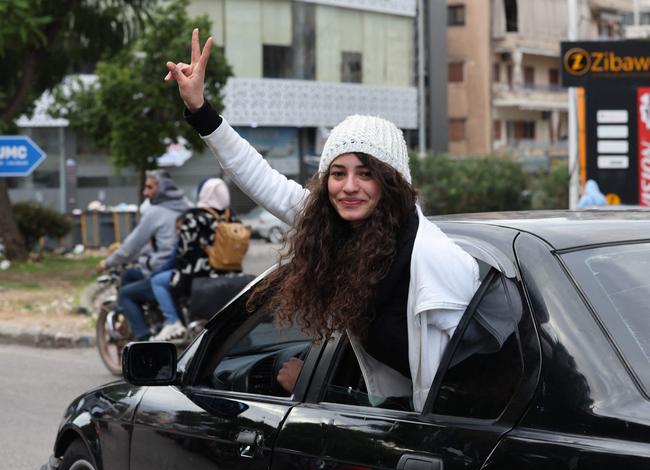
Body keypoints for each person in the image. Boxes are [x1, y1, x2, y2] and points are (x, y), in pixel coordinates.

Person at [165, 29, 479, 411]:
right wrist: (200, 110)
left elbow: (462, 389)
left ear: (391, 182)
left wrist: (326, 393)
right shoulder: (338, 229)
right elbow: (261, 179)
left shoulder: (434, 259)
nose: (349, 187)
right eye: (337, 172)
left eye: (366, 174)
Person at [97, 170, 190, 340]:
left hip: (166, 272)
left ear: (161, 188)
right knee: (130, 274)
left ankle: (143, 338)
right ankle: (151, 318)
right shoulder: (187, 206)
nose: (145, 193)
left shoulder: (155, 212)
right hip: (185, 268)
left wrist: (108, 262)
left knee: (125, 294)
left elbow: (132, 245)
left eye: (149, 187)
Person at [150, 177, 233, 342]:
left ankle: (172, 322)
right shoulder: (231, 217)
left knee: (158, 281)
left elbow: (182, 254)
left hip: (195, 277)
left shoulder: (194, 217)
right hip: (229, 274)